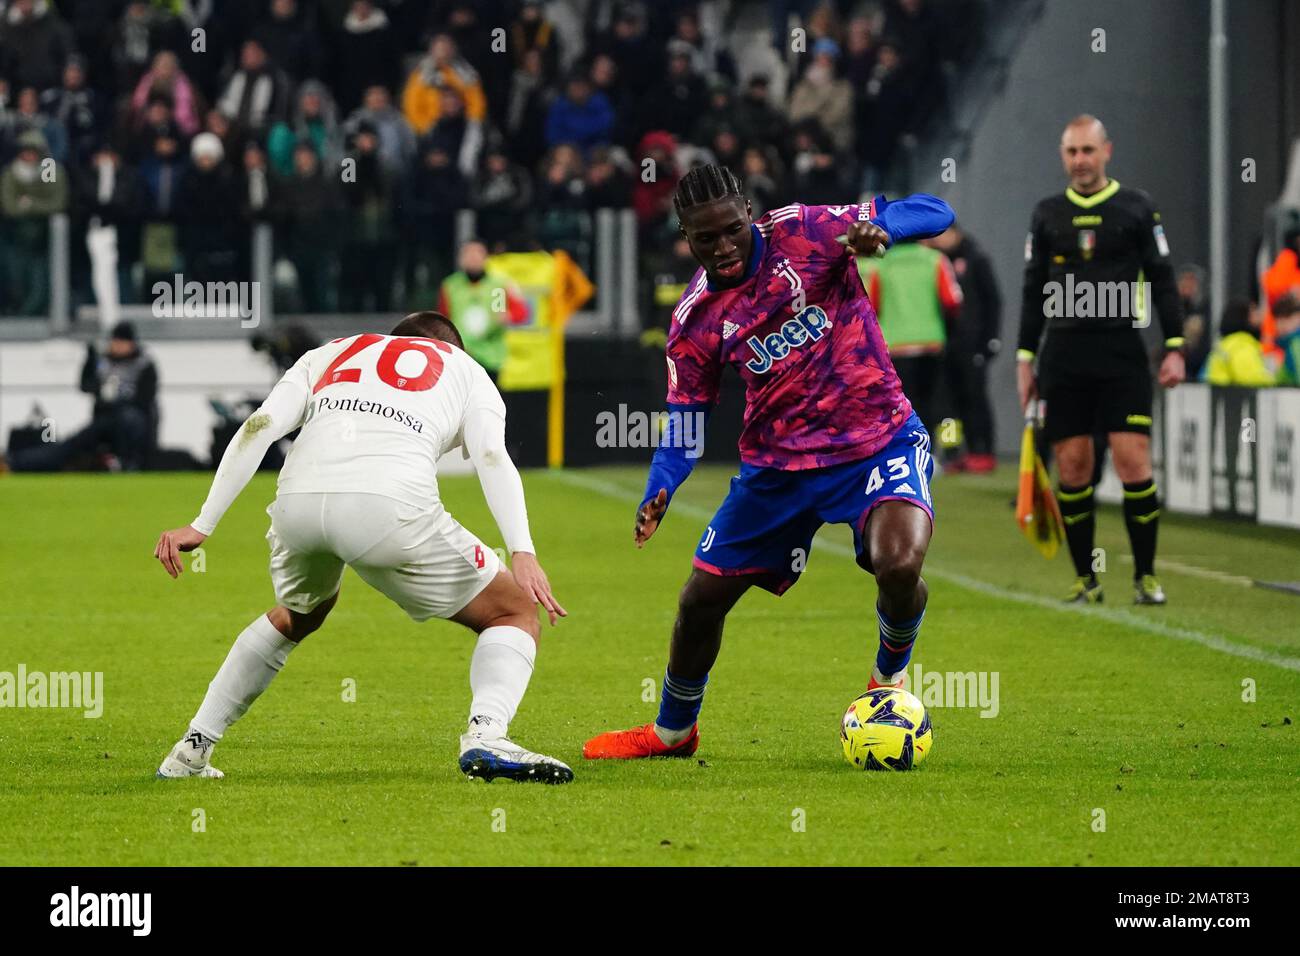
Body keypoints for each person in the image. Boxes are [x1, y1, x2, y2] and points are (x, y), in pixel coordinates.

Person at [583, 165, 953, 760]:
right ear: (686, 236)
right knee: (699, 600)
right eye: (706, 239)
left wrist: (881, 230)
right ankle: (673, 731)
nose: (724, 247)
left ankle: (887, 679)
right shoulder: (695, 319)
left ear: (749, 211)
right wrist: (662, 484)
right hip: (777, 469)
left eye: (732, 229)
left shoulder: (809, 231)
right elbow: (685, 412)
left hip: (876, 441)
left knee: (899, 564)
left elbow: (936, 209)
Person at [153, 312, 572, 784]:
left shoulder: (332, 351)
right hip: (387, 509)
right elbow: (492, 457)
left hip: (297, 504)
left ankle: (192, 748)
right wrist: (522, 549)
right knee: (512, 610)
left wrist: (202, 523)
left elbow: (262, 424)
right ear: (454, 348)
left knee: (298, 614)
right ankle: (487, 735)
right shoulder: (465, 369)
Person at [1016, 115, 1185, 606]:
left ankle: (1146, 577)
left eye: (1088, 150)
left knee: (1133, 461)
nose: (1080, 161)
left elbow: (1162, 277)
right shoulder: (1046, 213)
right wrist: (1025, 358)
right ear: (1063, 155)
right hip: (1063, 354)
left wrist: (1174, 344)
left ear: (1106, 150)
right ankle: (1085, 579)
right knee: (1073, 467)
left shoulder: (1136, 207)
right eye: (1071, 152)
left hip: (1120, 352)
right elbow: (1032, 290)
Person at [8, 321, 156, 472]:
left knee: (129, 419)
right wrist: (89, 363)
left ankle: (129, 464)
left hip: (132, 426)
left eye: (121, 342)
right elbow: (86, 386)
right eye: (115, 341)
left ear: (131, 343)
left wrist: (117, 403)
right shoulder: (103, 362)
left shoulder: (143, 365)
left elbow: (144, 400)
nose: (117, 346)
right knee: (68, 447)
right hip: (105, 421)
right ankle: (16, 462)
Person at [925, 224, 1002, 472]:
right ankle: (952, 451)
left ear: (955, 233)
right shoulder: (935, 261)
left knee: (974, 398)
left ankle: (983, 451)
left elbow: (993, 301)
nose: (938, 241)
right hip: (944, 342)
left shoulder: (976, 258)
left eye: (941, 235)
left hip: (973, 343)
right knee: (945, 404)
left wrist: (990, 339)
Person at [437, 239, 528, 380]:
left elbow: (517, 312)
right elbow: (443, 318)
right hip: (461, 356)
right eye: (468, 254)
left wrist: (507, 316)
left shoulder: (497, 285)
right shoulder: (451, 285)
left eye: (477, 253)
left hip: (490, 357)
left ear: (486, 257)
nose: (473, 258)